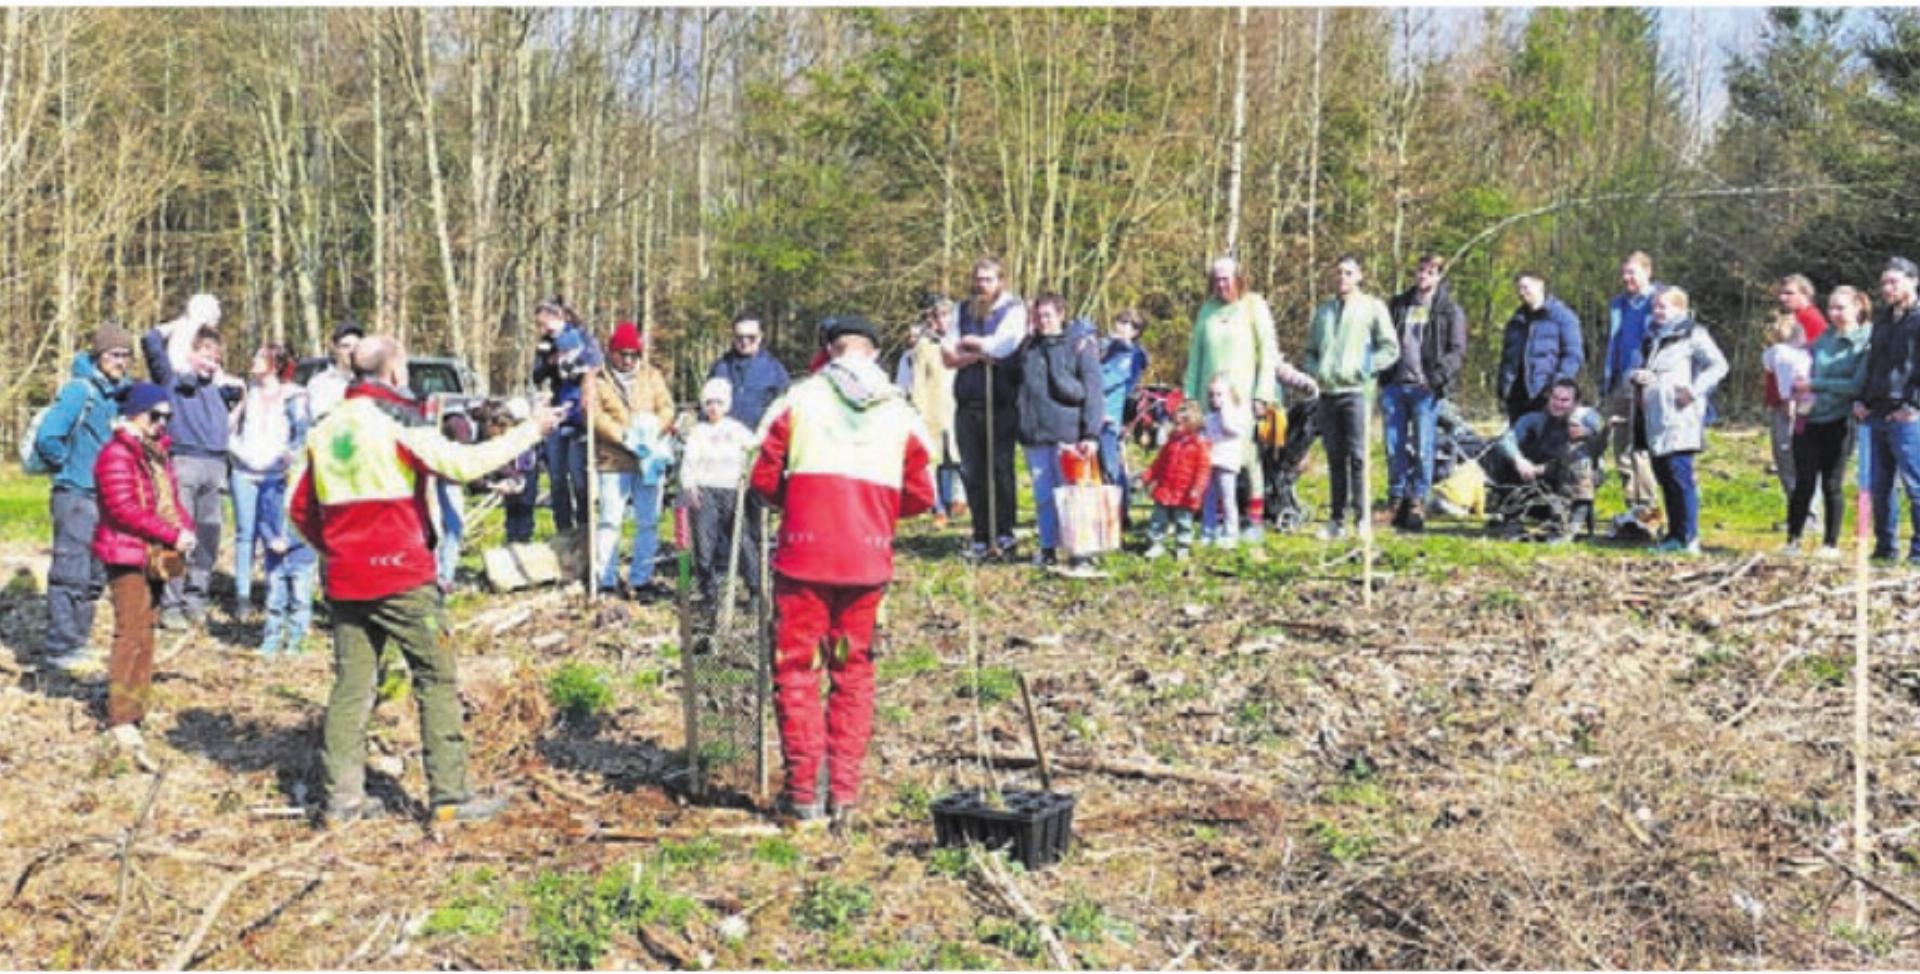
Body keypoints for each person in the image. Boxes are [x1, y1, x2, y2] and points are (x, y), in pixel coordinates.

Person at [290, 334, 565, 824]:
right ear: (394, 371)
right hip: (402, 576)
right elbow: (464, 464)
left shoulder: (325, 428)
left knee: (352, 686)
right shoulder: (396, 422)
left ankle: (341, 801)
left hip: (344, 580)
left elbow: (299, 508)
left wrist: (336, 550)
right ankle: (450, 798)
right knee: (436, 678)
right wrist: (531, 431)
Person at [751, 315, 934, 826]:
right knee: (852, 673)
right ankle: (844, 794)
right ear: (874, 353)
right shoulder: (901, 411)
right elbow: (922, 492)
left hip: (804, 559)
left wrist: (801, 507)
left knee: (798, 669)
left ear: (830, 351)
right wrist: (870, 516)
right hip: (866, 563)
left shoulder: (798, 399)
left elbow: (761, 472)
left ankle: (805, 792)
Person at [91, 382, 193, 764]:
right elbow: (123, 509)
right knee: (129, 632)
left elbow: (171, 502)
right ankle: (120, 716)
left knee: (148, 632)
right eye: (155, 415)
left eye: (167, 417)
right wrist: (170, 533)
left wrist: (186, 531)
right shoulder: (116, 455)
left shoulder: (156, 455)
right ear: (135, 413)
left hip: (152, 553)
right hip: (126, 553)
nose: (162, 423)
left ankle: (137, 707)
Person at [32, 324, 134, 673]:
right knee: (69, 572)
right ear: (99, 355)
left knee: (93, 575)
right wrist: (72, 466)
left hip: (105, 499)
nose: (121, 362)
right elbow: (49, 436)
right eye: (114, 355)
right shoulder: (80, 390)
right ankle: (61, 646)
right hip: (75, 494)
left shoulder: (119, 394)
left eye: (125, 355)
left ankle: (80, 640)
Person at [141, 320, 241, 630]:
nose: (211, 364)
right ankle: (171, 603)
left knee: (208, 537)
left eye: (216, 360)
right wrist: (186, 320)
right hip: (183, 463)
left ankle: (196, 600)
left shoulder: (219, 392)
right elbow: (150, 340)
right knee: (177, 534)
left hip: (215, 469)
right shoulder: (173, 381)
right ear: (190, 354)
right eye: (206, 357)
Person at [1302, 254, 1400, 540]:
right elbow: (1310, 350)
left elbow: (1390, 347)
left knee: (1358, 456)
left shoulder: (1372, 308)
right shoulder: (1323, 311)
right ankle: (1336, 519)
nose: (1342, 278)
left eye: (1348, 273)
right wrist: (1316, 370)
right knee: (1335, 457)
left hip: (1357, 392)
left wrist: (1366, 367)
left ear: (1359, 276)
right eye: (1338, 273)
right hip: (1328, 392)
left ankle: (1362, 518)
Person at [1183, 257, 1281, 540]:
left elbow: (1268, 352)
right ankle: (1216, 521)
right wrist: (1190, 398)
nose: (1221, 284)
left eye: (1226, 279)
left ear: (1239, 278)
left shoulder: (1253, 306)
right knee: (1210, 459)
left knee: (1247, 458)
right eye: (1216, 279)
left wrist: (1263, 394)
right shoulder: (1207, 311)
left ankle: (1254, 519)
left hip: (1241, 399)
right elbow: (1195, 357)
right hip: (1208, 398)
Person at [1631, 287, 1728, 555]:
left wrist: (1694, 391)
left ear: (1681, 309)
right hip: (1654, 415)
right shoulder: (1652, 337)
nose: (1658, 312)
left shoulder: (1693, 334)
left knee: (1679, 476)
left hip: (1680, 415)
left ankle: (1690, 537)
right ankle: (1674, 535)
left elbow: (1718, 365)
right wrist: (1640, 378)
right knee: (1663, 475)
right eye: (1655, 307)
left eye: (1664, 307)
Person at [944, 258, 1028, 560]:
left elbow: (1004, 347)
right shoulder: (962, 310)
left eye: (988, 279)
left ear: (1000, 281)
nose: (982, 285)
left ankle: (1004, 534)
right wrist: (980, 351)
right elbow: (948, 355)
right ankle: (981, 534)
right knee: (973, 471)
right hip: (967, 401)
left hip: (1000, 401)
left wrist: (975, 344)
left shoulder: (1014, 309)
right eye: (978, 279)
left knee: (1000, 470)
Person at [1013, 293, 1104, 572]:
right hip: (1035, 433)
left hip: (1069, 433)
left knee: (1075, 495)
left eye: (1048, 316)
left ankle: (1082, 551)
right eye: (1038, 316)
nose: (1043, 322)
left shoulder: (1080, 346)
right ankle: (1048, 547)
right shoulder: (1028, 347)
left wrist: (1090, 434)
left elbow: (1093, 392)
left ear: (1061, 315)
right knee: (1043, 496)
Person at [1381, 253, 1467, 532]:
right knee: (1394, 446)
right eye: (1420, 271)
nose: (1423, 276)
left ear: (1439, 276)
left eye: (1430, 272)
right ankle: (1396, 497)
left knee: (1423, 446)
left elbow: (1457, 351)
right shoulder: (1398, 305)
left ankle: (1418, 498)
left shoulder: (1448, 310)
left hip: (1425, 389)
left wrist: (1437, 378)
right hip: (1396, 385)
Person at [590, 321, 676, 598]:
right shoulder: (597, 379)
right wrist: (623, 436)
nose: (628, 360)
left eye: (633, 354)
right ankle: (606, 578)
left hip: (649, 460)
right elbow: (594, 414)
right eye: (622, 354)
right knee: (609, 521)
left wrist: (653, 432)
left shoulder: (652, 376)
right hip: (613, 461)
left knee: (648, 521)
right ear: (611, 353)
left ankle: (642, 578)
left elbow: (667, 407)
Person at [1787, 286, 1872, 556]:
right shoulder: (1823, 340)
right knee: (1803, 482)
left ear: (1857, 307)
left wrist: (1816, 383)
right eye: (1831, 308)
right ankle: (1793, 539)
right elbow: (1804, 366)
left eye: (1841, 308)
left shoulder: (1866, 342)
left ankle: (1830, 543)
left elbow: (1855, 385)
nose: (1834, 314)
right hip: (1809, 417)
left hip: (1840, 419)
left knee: (1832, 483)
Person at [228, 343, 310, 624]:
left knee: (273, 534)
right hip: (243, 471)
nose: (252, 360)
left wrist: (290, 458)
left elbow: (301, 434)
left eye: (259, 357)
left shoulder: (294, 396)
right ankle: (242, 597)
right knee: (244, 534)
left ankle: (278, 595)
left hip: (276, 475)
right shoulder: (245, 393)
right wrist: (235, 449)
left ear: (274, 363)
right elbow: (229, 426)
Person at [1856, 257, 1920, 563]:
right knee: (1879, 488)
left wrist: (1914, 406)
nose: (1887, 288)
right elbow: (1874, 365)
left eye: (1893, 282)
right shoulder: (1882, 321)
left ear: (1913, 281)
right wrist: (1862, 400)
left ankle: (1918, 552)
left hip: (1907, 415)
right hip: (1875, 413)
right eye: (1883, 283)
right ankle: (1885, 548)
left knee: (1915, 485)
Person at [1486, 379, 1602, 542]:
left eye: (1564, 400)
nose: (1558, 404)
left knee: (1578, 457)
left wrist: (1588, 432)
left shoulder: (1585, 417)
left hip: (1572, 478)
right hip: (1536, 474)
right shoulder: (1535, 419)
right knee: (1500, 454)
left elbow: (1601, 430)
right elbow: (1506, 439)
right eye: (1554, 398)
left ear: (1575, 403)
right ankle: (1511, 520)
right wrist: (1519, 460)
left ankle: (1567, 525)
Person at [680, 378, 760, 603]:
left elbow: (755, 448)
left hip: (733, 490)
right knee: (704, 544)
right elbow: (689, 462)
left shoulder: (736, 429)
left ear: (727, 404)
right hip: (706, 492)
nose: (714, 407)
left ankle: (754, 588)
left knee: (742, 541)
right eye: (709, 402)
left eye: (718, 402)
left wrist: (749, 472)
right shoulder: (699, 432)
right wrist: (689, 487)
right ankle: (708, 591)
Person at [1601, 252, 1664, 531]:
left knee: (1642, 448)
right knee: (1621, 447)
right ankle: (1632, 506)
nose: (1627, 278)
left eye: (1632, 273)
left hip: (1645, 385)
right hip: (1619, 383)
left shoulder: (1660, 303)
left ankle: (1648, 506)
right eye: (1624, 273)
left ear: (1647, 273)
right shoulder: (1619, 305)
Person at [531, 297, 603, 534]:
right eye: (539, 326)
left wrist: (575, 366)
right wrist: (549, 361)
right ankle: (563, 529)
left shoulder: (583, 339)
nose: (544, 330)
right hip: (556, 414)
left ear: (559, 317)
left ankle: (584, 528)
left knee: (580, 478)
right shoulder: (546, 344)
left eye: (546, 324)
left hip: (578, 418)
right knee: (557, 479)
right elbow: (537, 375)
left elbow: (594, 371)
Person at [1769, 275, 1831, 535]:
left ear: (1806, 294)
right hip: (1779, 401)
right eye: (1782, 293)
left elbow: (1812, 364)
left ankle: (1809, 516)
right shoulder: (1785, 322)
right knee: (1784, 459)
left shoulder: (1812, 321)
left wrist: (1797, 398)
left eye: (1790, 293)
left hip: (1797, 403)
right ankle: (1797, 513)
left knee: (1798, 459)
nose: (1783, 298)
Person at [896, 299, 965, 527]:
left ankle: (959, 499)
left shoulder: (962, 344)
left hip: (958, 409)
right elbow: (917, 383)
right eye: (939, 317)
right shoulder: (923, 347)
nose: (943, 321)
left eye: (948, 316)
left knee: (957, 458)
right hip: (932, 410)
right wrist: (919, 412)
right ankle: (938, 507)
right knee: (932, 460)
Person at [1497, 271, 1584, 422]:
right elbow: (1507, 359)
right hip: (1516, 399)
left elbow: (1573, 356)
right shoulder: (1516, 322)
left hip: (1546, 397)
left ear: (1540, 285)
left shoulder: (1563, 317)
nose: (1521, 293)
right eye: (1518, 289)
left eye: (1525, 287)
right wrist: (1502, 389)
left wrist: (1556, 387)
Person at [1098, 309, 1150, 527]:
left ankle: (1121, 513)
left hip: (1111, 417)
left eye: (1128, 324)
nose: (1121, 326)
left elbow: (1105, 380)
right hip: (1096, 413)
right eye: (1120, 321)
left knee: (1112, 466)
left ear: (1136, 331)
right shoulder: (1109, 348)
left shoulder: (1131, 356)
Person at [1140, 400, 1209, 559]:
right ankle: (1156, 544)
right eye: (1174, 423)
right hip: (1165, 490)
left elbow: (1203, 470)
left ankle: (1183, 545)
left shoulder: (1199, 446)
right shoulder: (1171, 443)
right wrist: (1148, 476)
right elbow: (1159, 463)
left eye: (1179, 424)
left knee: (1183, 521)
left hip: (1185, 493)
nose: (1176, 427)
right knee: (1158, 518)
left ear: (1192, 424)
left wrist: (1197, 488)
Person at [709, 316, 791, 432]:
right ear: (733, 337)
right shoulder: (720, 368)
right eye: (739, 337)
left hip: (760, 442)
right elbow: (705, 406)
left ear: (760, 337)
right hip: (723, 441)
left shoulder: (775, 370)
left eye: (751, 337)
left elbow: (786, 410)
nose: (745, 341)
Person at [1201, 373, 1250, 548]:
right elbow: (1203, 437)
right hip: (1211, 462)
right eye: (1212, 395)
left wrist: (1226, 409)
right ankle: (1208, 531)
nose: (1215, 399)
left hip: (1227, 463)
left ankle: (1231, 533)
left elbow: (1230, 429)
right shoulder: (1209, 417)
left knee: (1228, 499)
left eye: (1219, 394)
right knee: (1208, 498)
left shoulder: (1234, 415)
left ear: (1229, 395)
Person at [306, 321, 364, 422]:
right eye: (346, 346)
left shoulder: (371, 380)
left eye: (356, 347)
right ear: (335, 348)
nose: (352, 351)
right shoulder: (320, 383)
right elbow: (322, 421)